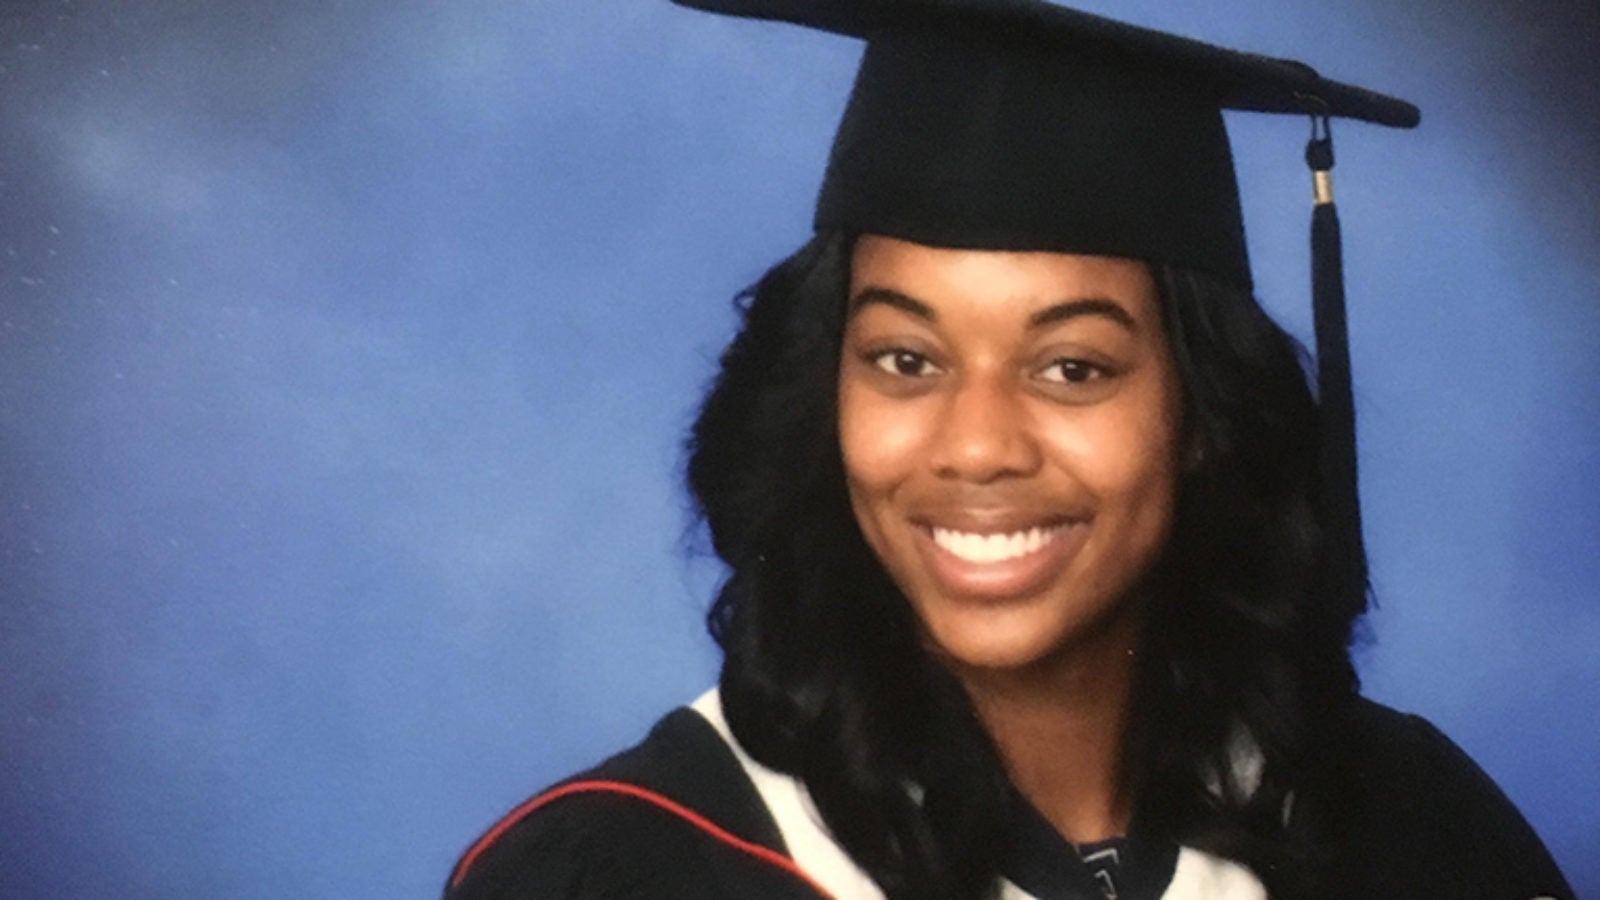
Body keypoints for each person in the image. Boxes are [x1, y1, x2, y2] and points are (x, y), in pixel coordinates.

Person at [444, 1, 1574, 897]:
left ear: (1200, 419)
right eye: (904, 360)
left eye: (1071, 368)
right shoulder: (632, 870)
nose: (976, 447)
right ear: (819, 395)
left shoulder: (1408, 829)